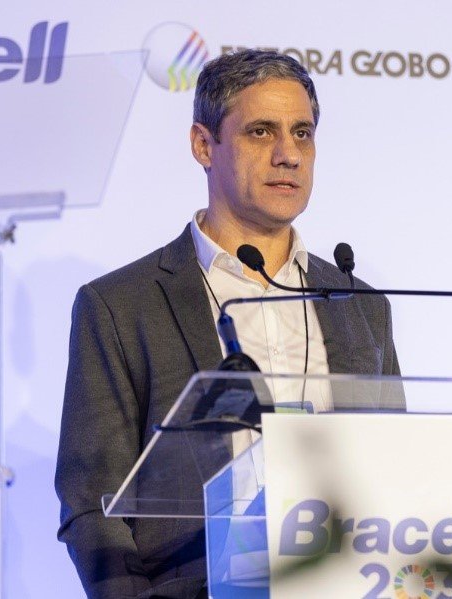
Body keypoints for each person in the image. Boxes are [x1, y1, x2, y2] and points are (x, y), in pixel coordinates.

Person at [55, 49, 400, 599]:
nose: (289, 155)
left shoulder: (361, 304)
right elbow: (91, 501)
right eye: (261, 132)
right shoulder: (120, 304)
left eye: (303, 133)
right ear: (203, 144)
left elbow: (399, 470)